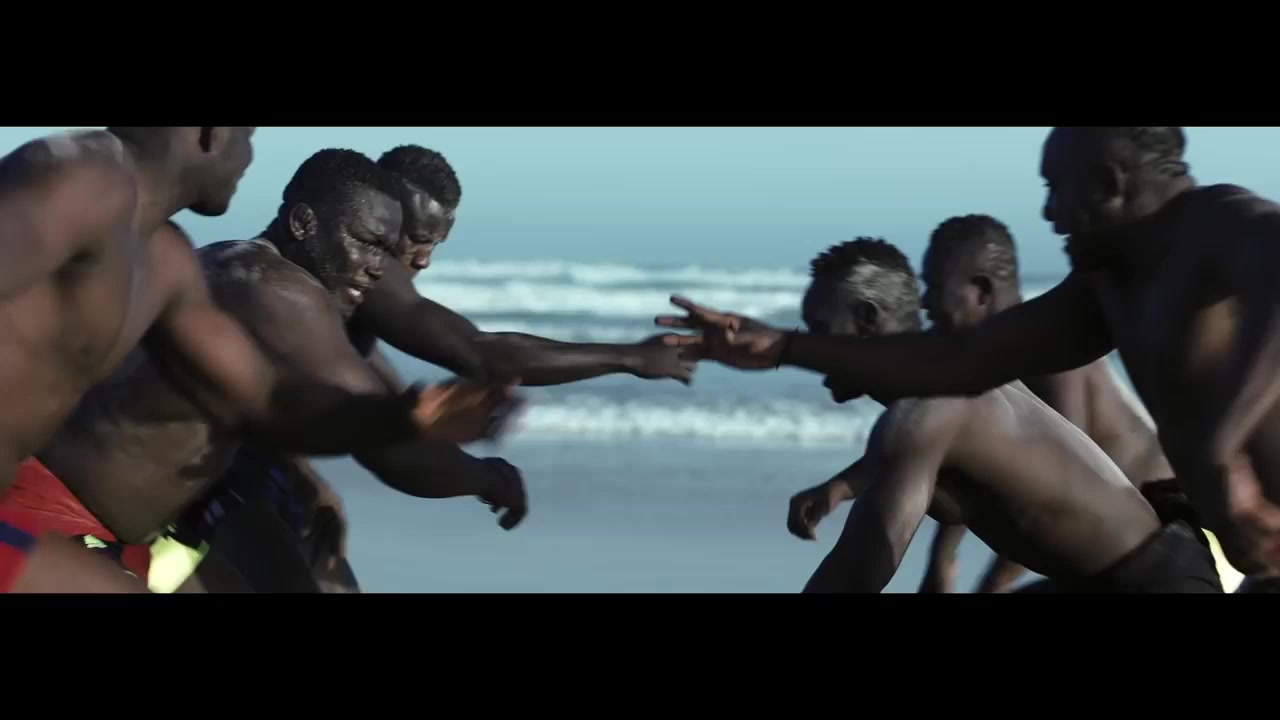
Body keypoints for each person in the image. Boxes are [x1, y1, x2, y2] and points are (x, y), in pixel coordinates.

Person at [660, 127, 1280, 591]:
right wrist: (783, 347)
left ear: (1107, 185)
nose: (1048, 214)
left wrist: (1221, 452)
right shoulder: (1110, 288)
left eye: (1054, 189)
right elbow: (960, 360)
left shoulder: (1218, 222)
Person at [0, 128, 506, 594]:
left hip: (115, 534)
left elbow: (269, 400)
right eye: (247, 134)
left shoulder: (169, 260)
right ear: (209, 134)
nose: (250, 156)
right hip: (47, 511)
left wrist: (403, 418)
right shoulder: (85, 179)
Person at [199, 143, 700, 592]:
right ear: (308, 221)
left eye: (424, 244)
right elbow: (452, 384)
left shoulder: (289, 277)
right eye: (407, 240)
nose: (412, 262)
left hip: (236, 474)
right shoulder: (297, 287)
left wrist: (303, 473)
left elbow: (317, 398)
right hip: (202, 492)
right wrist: (487, 475)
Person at [780, 238, 1221, 593]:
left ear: (865, 320)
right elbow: (930, 453)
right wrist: (843, 486)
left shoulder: (924, 412)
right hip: (1155, 563)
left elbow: (860, 570)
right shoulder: (959, 378)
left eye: (819, 330)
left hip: (1151, 580)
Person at [915, 214, 1234, 592]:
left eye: (935, 287)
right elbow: (978, 469)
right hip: (1129, 551)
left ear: (981, 291)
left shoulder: (1045, 355)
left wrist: (991, 584)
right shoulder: (997, 365)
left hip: (1179, 543)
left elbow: (1055, 492)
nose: (925, 303)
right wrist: (941, 560)